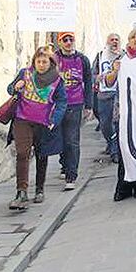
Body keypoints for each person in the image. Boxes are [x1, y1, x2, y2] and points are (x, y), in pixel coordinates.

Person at [6, 46, 67, 209]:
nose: (41, 64)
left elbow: (62, 101)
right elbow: (10, 89)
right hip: (22, 119)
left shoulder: (57, 80)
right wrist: (15, 86)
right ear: (34, 62)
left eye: (44, 62)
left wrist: (55, 119)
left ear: (50, 63)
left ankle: (39, 189)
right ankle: (21, 192)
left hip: (43, 122)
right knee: (22, 153)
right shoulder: (25, 74)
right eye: (38, 61)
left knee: (42, 154)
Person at [107, 27, 136, 201]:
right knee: (124, 150)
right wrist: (114, 71)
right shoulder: (121, 59)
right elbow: (108, 81)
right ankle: (124, 185)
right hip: (123, 113)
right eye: (133, 37)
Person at [55, 32, 93, 191]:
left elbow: (88, 81)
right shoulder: (54, 58)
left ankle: (72, 175)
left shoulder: (82, 60)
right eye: (65, 40)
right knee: (59, 138)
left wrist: (89, 105)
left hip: (75, 103)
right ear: (60, 42)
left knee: (72, 140)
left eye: (71, 39)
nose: (69, 42)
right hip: (56, 104)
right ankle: (64, 164)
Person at [92, 33, 123, 163]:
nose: (114, 42)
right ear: (107, 42)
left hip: (119, 94)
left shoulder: (124, 55)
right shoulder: (100, 56)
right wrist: (96, 78)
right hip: (104, 94)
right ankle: (110, 143)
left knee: (117, 123)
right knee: (105, 125)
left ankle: (116, 150)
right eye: (112, 40)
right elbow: (93, 72)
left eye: (117, 39)